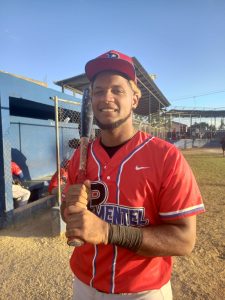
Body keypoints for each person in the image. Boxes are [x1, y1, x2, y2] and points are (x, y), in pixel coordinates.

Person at [61, 50, 205, 299]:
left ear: (135, 99)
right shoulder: (81, 156)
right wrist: (69, 207)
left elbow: (184, 240)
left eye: (117, 90)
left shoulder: (166, 157)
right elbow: (68, 213)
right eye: (98, 90)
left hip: (142, 290)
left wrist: (108, 232)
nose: (106, 97)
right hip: (84, 285)